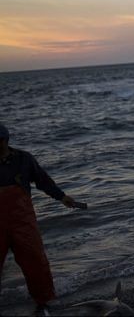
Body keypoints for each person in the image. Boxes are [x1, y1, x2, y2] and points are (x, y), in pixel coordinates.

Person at [0, 123, 77, 314]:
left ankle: (44, 302)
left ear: (5, 140)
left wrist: (61, 196)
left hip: (23, 222)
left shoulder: (24, 159)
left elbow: (42, 180)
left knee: (35, 260)